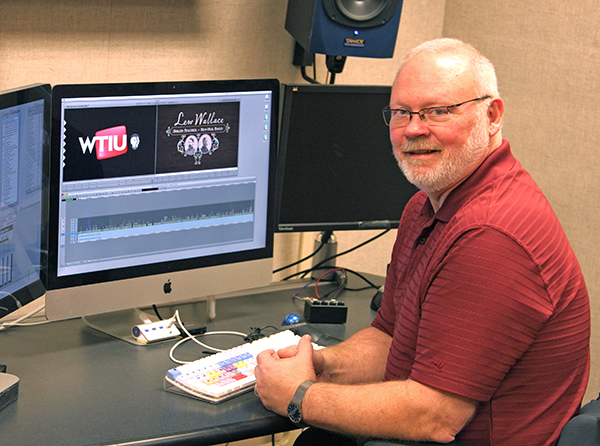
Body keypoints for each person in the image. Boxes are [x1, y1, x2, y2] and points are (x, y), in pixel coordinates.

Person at [254, 38, 590, 446]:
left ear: (493, 115)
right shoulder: (423, 208)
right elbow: (389, 339)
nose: (414, 129)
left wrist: (299, 396)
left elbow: (435, 417)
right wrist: (321, 364)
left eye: (439, 111)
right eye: (401, 113)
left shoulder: (490, 237)